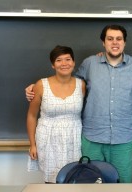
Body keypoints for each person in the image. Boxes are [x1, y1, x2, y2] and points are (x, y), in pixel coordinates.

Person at [25, 24, 132, 183]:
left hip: (123, 140)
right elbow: (68, 81)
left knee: (123, 184)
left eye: (119, 39)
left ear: (124, 42)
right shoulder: (90, 64)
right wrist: (38, 86)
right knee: (91, 183)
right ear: (103, 42)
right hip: (92, 139)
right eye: (110, 39)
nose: (115, 42)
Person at [26, 45, 86, 183]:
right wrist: (32, 144)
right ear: (53, 65)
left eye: (68, 59)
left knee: (74, 179)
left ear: (74, 62)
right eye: (59, 60)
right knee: (51, 181)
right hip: (48, 140)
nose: (64, 64)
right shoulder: (41, 85)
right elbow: (32, 116)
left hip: (74, 139)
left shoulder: (81, 85)